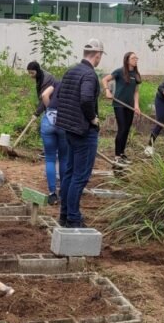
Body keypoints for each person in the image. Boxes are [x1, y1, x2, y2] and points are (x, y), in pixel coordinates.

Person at [55, 38, 105, 228]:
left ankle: (65, 214)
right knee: (80, 176)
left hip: (68, 129)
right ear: (97, 55)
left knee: (69, 173)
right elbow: (85, 99)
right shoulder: (89, 75)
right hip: (83, 131)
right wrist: (92, 118)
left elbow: (60, 96)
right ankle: (73, 218)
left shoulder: (71, 71)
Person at [27, 61, 64, 205]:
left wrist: (47, 111)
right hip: (62, 123)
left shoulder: (51, 81)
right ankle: (63, 190)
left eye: (32, 73)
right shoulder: (68, 86)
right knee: (63, 157)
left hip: (48, 121)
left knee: (49, 158)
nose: (30, 75)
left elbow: (44, 96)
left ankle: (52, 193)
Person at [104, 52, 142, 164]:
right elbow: (105, 79)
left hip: (129, 106)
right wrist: (107, 90)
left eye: (136, 57)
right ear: (127, 60)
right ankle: (117, 156)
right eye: (133, 58)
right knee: (122, 128)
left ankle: (122, 153)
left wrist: (136, 106)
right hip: (119, 104)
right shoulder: (119, 71)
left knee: (126, 129)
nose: (136, 59)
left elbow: (136, 92)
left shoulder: (136, 74)